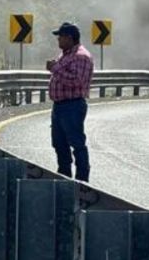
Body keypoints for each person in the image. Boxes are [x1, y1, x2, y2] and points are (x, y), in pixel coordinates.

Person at [46, 22, 94, 181]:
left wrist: (55, 69)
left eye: (60, 37)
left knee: (77, 143)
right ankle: (64, 178)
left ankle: (82, 181)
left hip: (72, 105)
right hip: (60, 106)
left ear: (69, 38)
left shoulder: (81, 56)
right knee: (59, 144)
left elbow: (77, 81)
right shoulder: (66, 54)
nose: (58, 40)